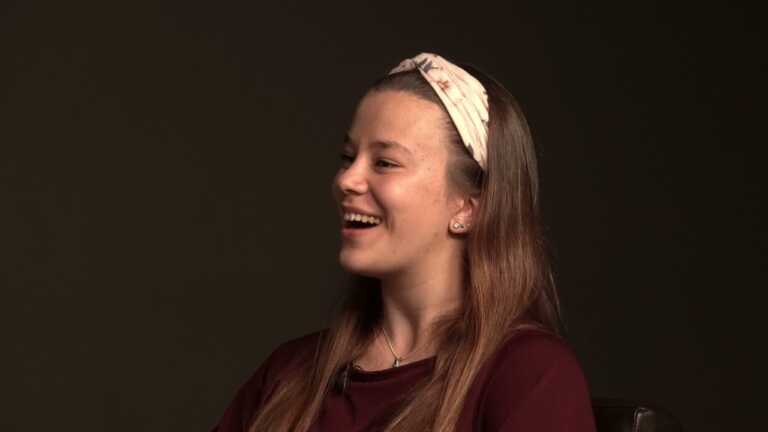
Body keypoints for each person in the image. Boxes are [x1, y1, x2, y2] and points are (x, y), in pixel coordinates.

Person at [211, 52, 597, 432]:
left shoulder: (529, 375)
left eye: (385, 163)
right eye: (347, 157)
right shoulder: (289, 372)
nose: (346, 180)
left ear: (467, 207)